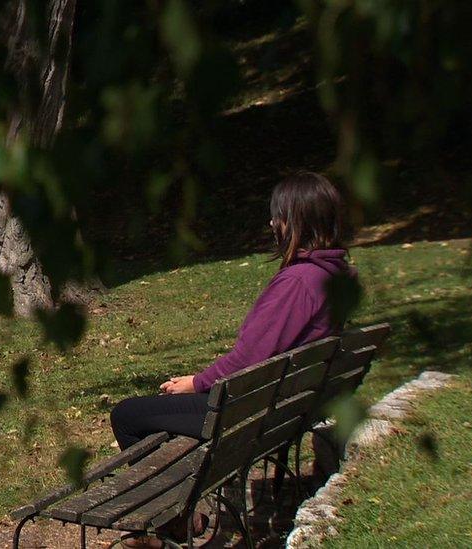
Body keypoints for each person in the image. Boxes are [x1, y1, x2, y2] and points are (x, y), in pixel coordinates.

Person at [111, 171, 355, 546]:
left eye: (278, 216)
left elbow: (249, 357)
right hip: (284, 408)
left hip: (251, 415)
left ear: (296, 221)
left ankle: (172, 520)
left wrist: (195, 382)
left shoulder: (299, 283)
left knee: (127, 415)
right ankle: (174, 512)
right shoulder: (336, 275)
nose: (273, 223)